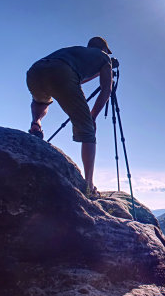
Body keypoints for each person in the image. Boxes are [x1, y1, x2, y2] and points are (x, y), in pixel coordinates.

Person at [26, 36, 113, 197]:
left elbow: (74, 78)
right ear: (104, 49)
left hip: (36, 70)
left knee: (41, 100)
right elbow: (106, 90)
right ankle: (88, 184)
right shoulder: (104, 57)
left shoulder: (76, 52)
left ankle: (36, 123)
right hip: (62, 72)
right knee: (87, 130)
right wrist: (92, 117)